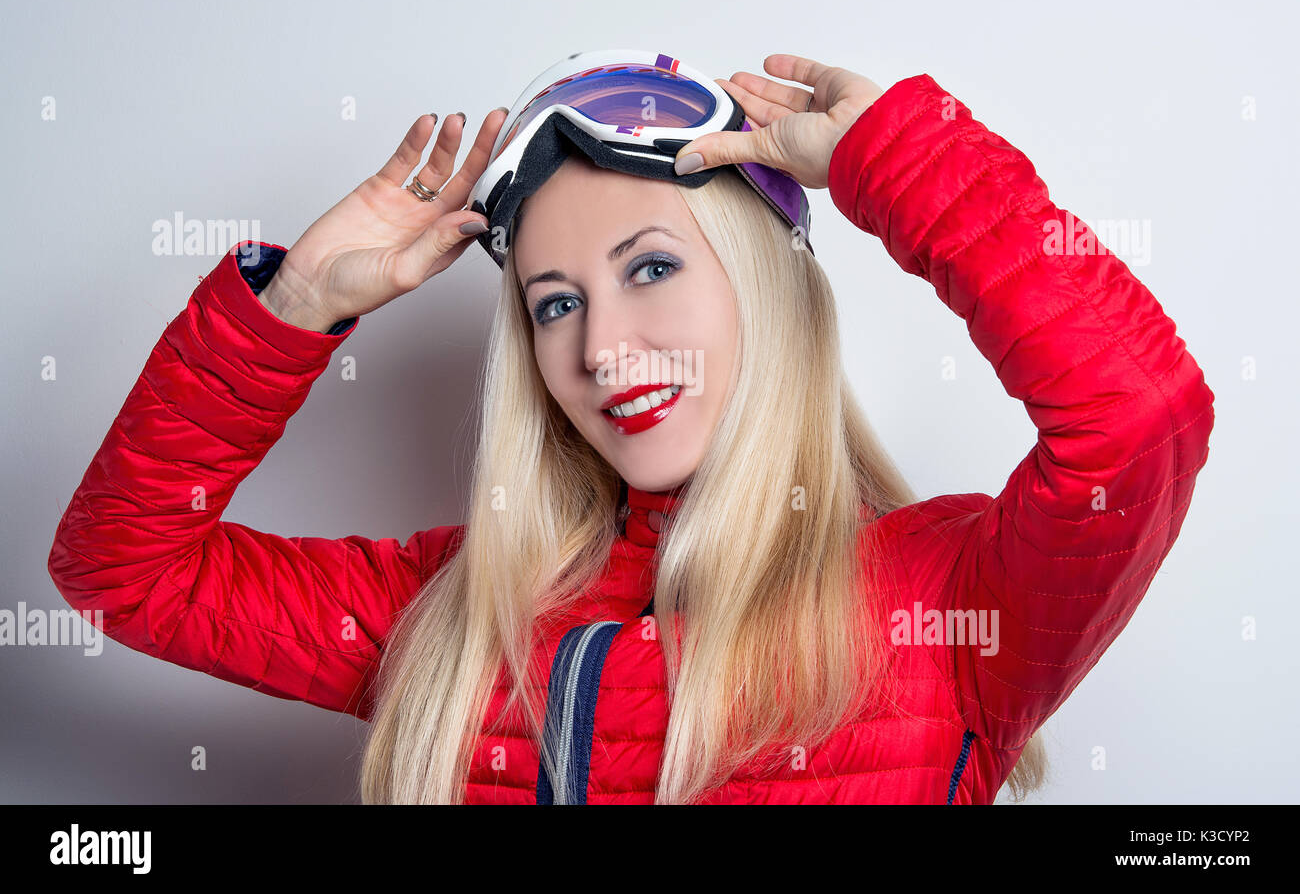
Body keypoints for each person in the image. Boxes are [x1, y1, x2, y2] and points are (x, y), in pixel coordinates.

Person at [47, 51, 1216, 804]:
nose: (599, 346)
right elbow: (122, 569)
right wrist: (298, 304)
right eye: (555, 302)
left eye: (650, 266)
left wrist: (894, 163)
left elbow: (1138, 420)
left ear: (768, 289)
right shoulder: (454, 614)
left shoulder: (945, 600)